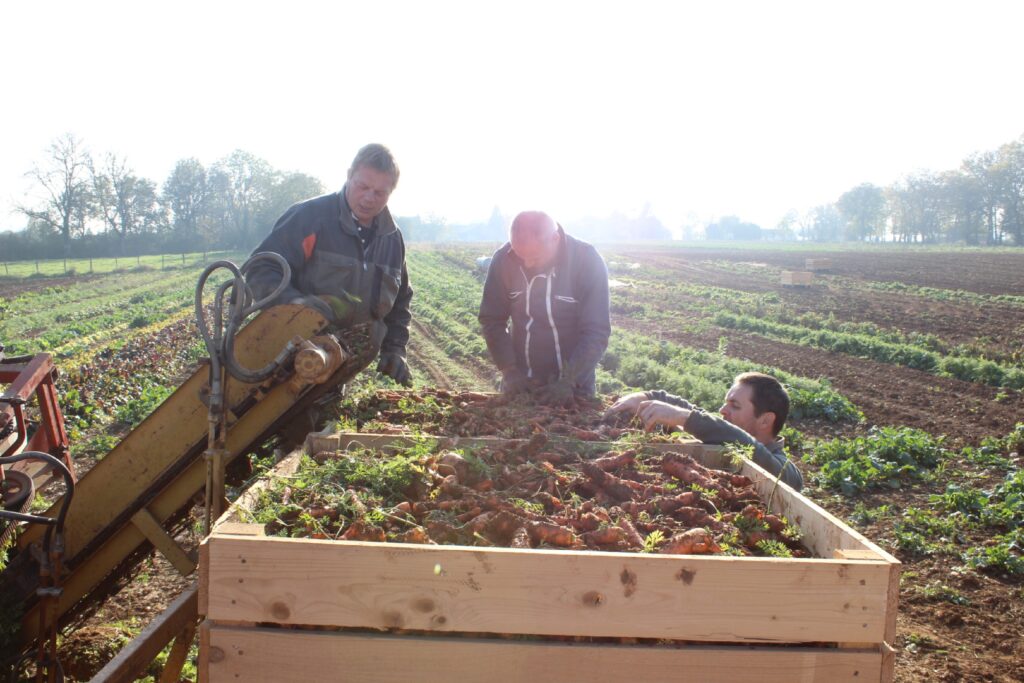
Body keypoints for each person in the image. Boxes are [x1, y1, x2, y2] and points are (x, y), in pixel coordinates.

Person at [247, 143, 413, 386]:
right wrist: (301, 309)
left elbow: (399, 302)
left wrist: (395, 349)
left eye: (380, 192)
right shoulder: (310, 218)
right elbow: (260, 271)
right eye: (363, 186)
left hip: (340, 370)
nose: (369, 198)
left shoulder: (392, 240)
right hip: (288, 363)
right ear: (349, 176)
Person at [478, 211, 610, 406]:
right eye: (520, 256)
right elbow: (492, 320)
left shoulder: (586, 261)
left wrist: (569, 381)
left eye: (535, 257)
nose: (527, 263)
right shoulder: (503, 260)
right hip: (521, 382)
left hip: (574, 388)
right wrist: (509, 370)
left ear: (555, 239)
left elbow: (596, 331)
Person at [605, 372, 804, 490]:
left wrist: (685, 418)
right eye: (726, 402)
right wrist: (646, 395)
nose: (722, 410)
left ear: (765, 420)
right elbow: (703, 416)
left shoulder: (786, 472)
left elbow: (743, 442)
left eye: (735, 405)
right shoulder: (723, 432)